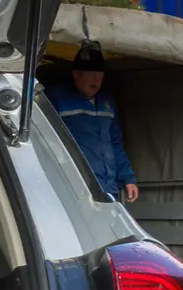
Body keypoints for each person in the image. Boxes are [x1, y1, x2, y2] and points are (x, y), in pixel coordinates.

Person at [46, 44, 139, 203]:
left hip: (108, 188)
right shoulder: (55, 99)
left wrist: (128, 178)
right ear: (77, 74)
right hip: (75, 186)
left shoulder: (107, 103)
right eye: (91, 75)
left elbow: (115, 143)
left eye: (99, 75)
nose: (96, 80)